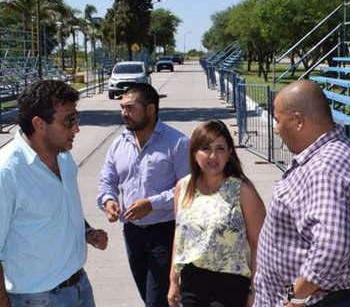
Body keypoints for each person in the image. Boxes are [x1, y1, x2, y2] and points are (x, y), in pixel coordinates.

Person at [253, 80, 350, 307]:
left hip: (316, 301)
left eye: (278, 120)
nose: (276, 128)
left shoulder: (324, 167)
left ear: (298, 121)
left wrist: (297, 295)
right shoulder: (338, 150)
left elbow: (331, 247)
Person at [0, 80, 108, 307]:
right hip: (36, 298)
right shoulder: (7, 172)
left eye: (76, 119)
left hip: (79, 286)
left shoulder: (64, 158)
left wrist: (86, 230)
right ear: (39, 124)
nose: (76, 129)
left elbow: (60, 204)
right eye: (69, 121)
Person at [97, 83, 190, 307]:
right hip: (132, 233)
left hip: (166, 233)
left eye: (130, 108)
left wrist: (152, 204)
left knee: (156, 300)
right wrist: (108, 200)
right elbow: (107, 180)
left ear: (150, 110)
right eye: (122, 108)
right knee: (148, 295)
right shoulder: (119, 143)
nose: (124, 114)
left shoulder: (177, 143)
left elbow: (188, 189)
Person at [167, 120, 266, 307]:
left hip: (230, 285)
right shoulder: (183, 187)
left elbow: (259, 244)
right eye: (205, 148)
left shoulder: (242, 190)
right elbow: (179, 237)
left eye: (220, 148)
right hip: (192, 283)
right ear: (194, 153)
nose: (213, 156)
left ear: (229, 153)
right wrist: (173, 281)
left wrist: (255, 290)